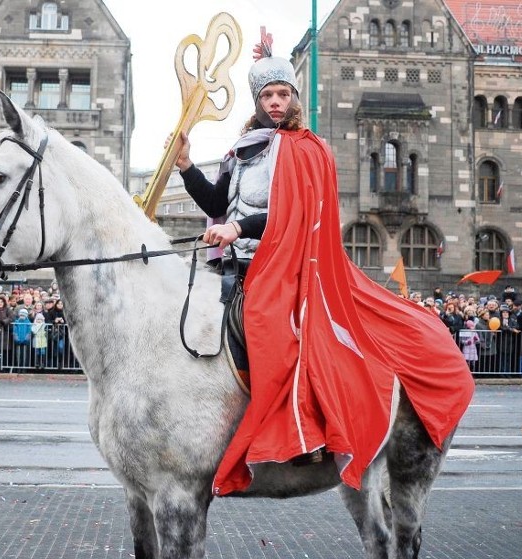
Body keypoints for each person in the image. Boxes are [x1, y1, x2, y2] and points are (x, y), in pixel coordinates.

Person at [171, 30, 474, 495]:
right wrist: (188, 167)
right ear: (256, 100)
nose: (275, 102)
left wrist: (238, 229)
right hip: (234, 268)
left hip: (284, 267)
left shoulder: (304, 149)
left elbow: (296, 216)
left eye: (282, 94)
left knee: (274, 329)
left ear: (293, 99)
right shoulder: (239, 151)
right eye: (267, 94)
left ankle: (304, 433)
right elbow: (214, 200)